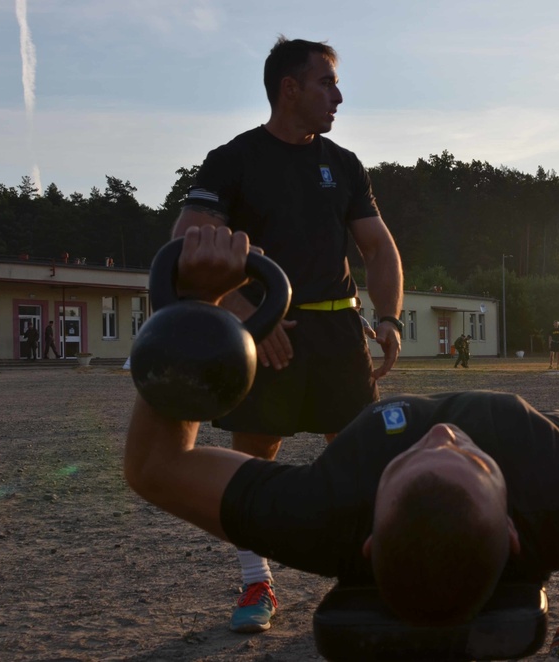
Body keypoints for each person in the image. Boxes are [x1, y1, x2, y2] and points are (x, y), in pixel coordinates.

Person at [125, 184, 559, 661]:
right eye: (471, 459)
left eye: (411, 459)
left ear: (367, 537)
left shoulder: (324, 514)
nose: (445, 433)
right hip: (543, 449)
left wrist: (194, 304)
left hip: (489, 475)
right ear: (513, 532)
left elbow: (157, 467)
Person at [170, 37, 404, 633]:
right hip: (269, 330)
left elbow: (379, 247)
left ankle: (367, 574)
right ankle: (257, 581)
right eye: (326, 82)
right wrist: (252, 312)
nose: (338, 95)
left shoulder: (344, 163)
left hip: (338, 330)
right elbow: (187, 240)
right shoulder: (233, 159)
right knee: (255, 457)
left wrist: (389, 317)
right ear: (289, 88)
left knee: (362, 455)